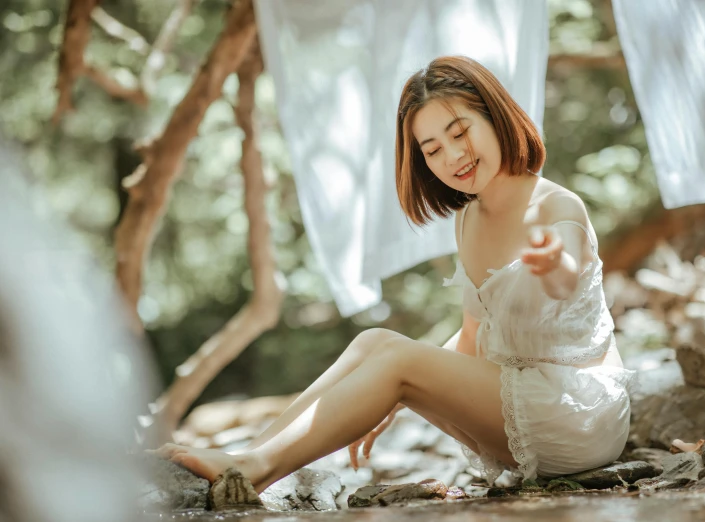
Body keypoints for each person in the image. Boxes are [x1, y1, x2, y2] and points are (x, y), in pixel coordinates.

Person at [154, 55, 633, 490]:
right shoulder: (468, 217)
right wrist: (392, 391)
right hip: (520, 401)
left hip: (578, 412)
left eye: (460, 132)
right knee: (376, 344)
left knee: (399, 359)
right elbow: (470, 338)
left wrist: (552, 266)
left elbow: (567, 276)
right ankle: (248, 455)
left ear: (495, 114)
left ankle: (257, 469)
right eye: (432, 148)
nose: (452, 157)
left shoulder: (555, 204)